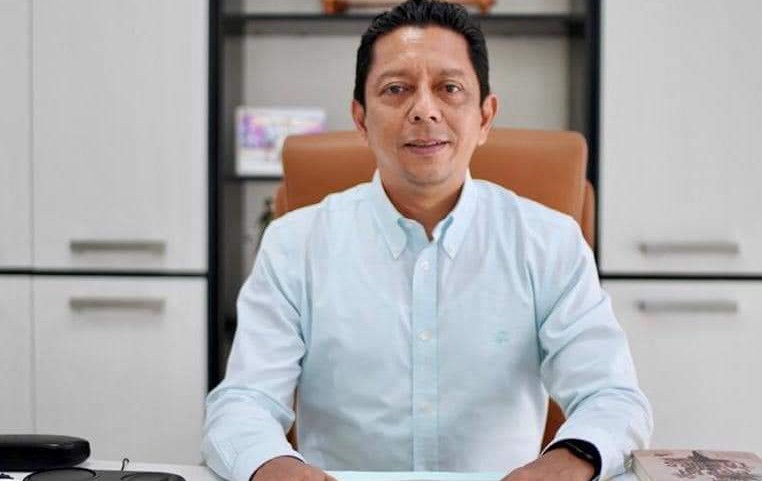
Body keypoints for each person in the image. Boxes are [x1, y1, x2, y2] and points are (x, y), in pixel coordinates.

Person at [202, 1, 653, 481]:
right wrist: (272, 466)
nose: (424, 110)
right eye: (396, 89)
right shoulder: (295, 244)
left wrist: (570, 461)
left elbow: (612, 396)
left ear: (485, 117)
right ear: (360, 118)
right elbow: (244, 401)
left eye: (449, 88)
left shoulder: (549, 242)